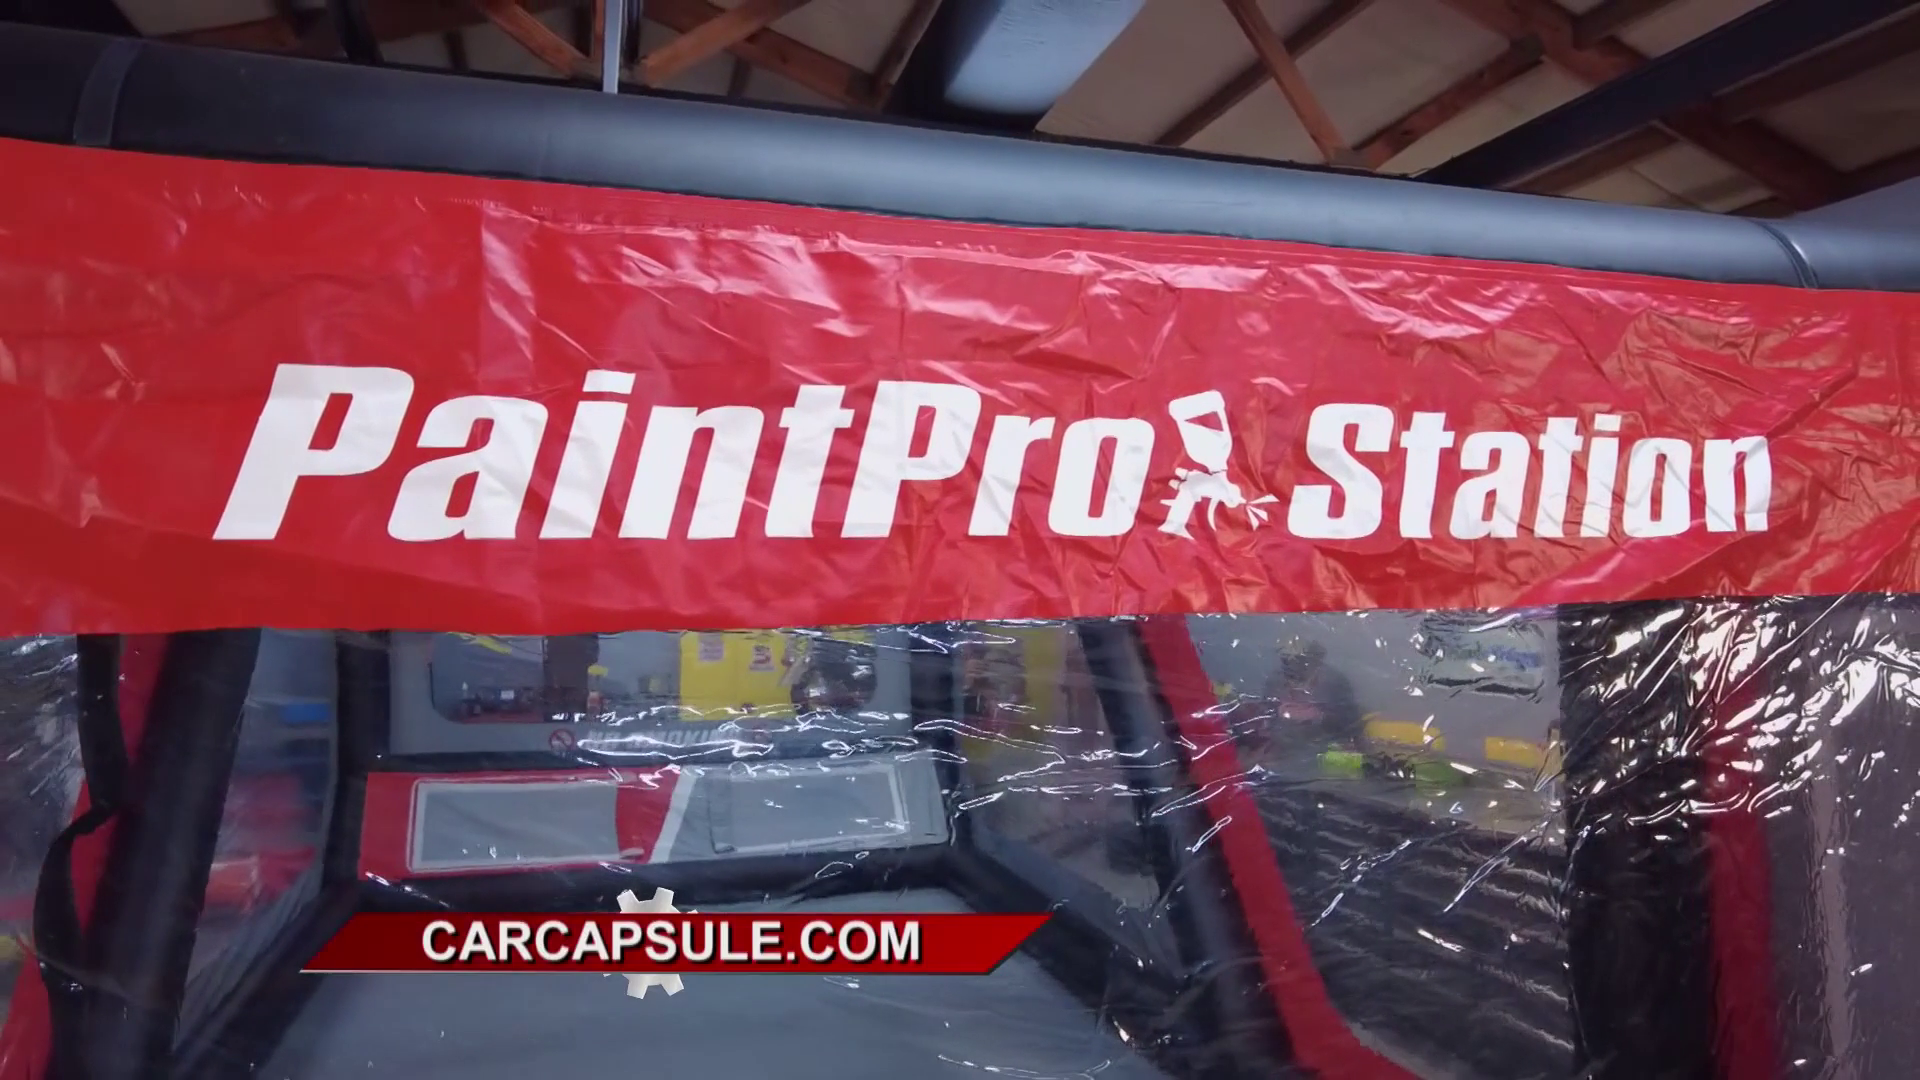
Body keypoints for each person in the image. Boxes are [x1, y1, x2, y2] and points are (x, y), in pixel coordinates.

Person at [1258, 637, 1364, 759]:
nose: (1293, 664)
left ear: (1316, 660)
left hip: (1324, 749)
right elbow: (1264, 719)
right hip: (1285, 749)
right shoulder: (1275, 681)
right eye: (1286, 659)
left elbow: (1352, 723)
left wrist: (1320, 716)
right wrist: (1277, 714)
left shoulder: (1333, 682)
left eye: (1300, 659)